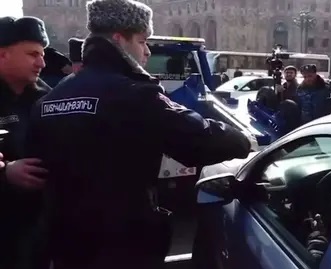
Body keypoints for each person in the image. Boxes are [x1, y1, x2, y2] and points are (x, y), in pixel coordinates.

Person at [25, 1, 251, 268]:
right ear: (120, 39)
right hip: (123, 244)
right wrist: (242, 138)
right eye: (143, 41)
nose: (146, 51)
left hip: (66, 245)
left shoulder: (51, 99)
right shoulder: (132, 93)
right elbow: (198, 141)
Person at [0, 15, 51, 269]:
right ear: (2, 55)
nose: (41, 62)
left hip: (38, 231)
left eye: (42, 54)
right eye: (32, 54)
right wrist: (5, 173)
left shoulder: (46, 99)